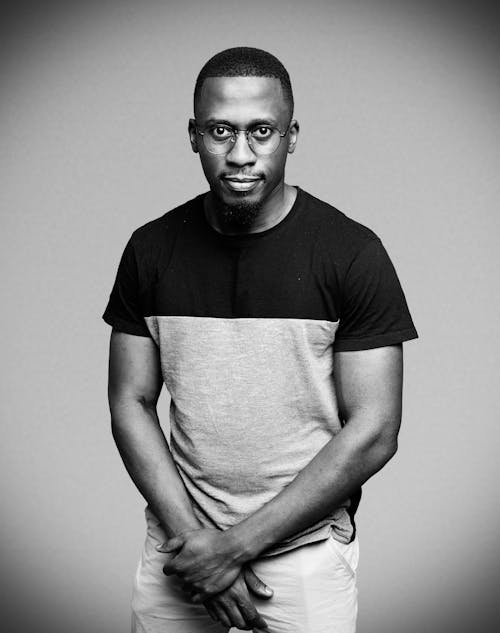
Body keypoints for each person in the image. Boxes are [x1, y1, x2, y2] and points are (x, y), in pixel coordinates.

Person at [103, 47, 418, 633]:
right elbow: (130, 401)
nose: (241, 154)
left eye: (262, 131)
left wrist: (236, 547)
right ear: (194, 135)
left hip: (303, 562)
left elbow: (375, 430)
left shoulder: (351, 253)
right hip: (181, 552)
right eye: (221, 131)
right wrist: (198, 543)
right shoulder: (150, 250)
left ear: (291, 135)